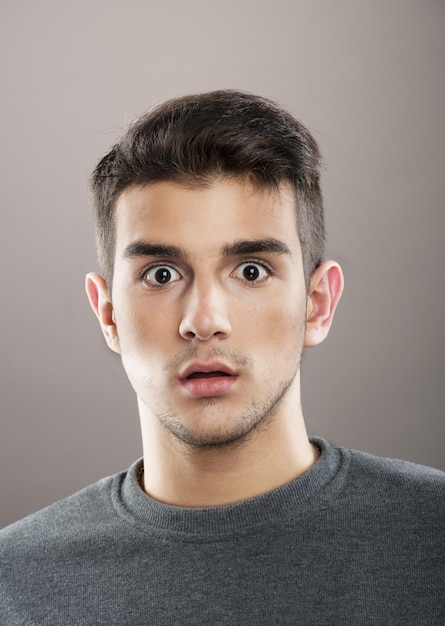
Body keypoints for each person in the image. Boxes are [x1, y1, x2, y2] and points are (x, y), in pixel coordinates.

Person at [1, 90, 443, 625]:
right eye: (161, 274)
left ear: (317, 304)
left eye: (251, 270)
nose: (204, 319)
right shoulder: (15, 581)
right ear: (108, 314)